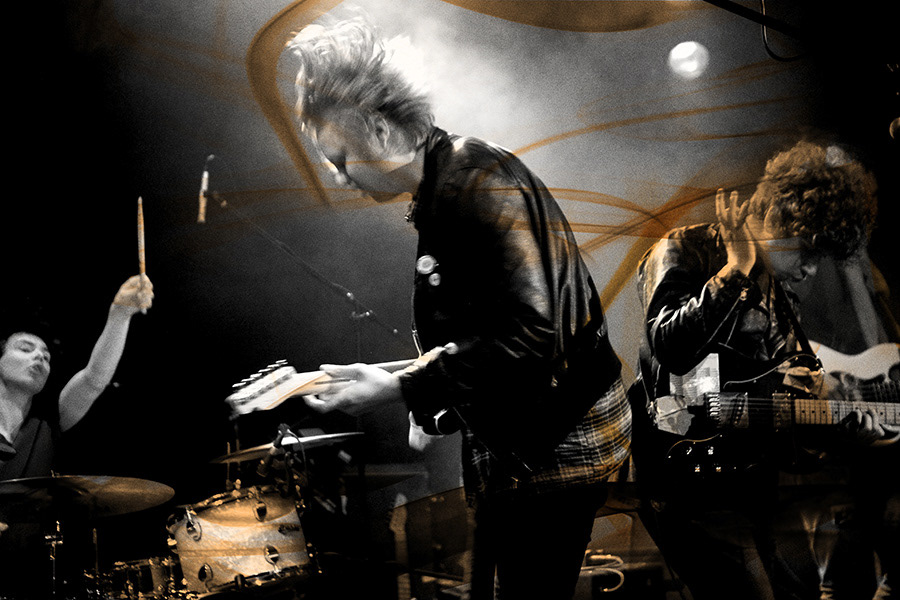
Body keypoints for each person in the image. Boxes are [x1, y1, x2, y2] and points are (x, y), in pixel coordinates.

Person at [287, 16, 631, 600]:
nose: (338, 178)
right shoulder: (446, 184)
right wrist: (400, 380)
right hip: (533, 438)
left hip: (557, 441)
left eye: (339, 158)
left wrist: (405, 388)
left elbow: (530, 337)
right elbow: (489, 335)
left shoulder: (478, 182)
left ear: (378, 129)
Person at [631, 139, 896, 599]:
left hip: (755, 487)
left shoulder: (781, 293)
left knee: (805, 590)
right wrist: (735, 270)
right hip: (688, 481)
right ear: (778, 214)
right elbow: (670, 346)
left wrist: (834, 427)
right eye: (808, 252)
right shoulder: (683, 249)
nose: (812, 270)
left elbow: (782, 419)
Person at [0, 274, 153, 598]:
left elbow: (94, 378)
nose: (39, 357)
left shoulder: (48, 421)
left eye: (46, 355)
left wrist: (119, 315)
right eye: (26, 349)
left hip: (28, 583)